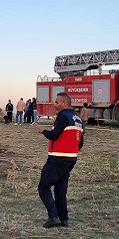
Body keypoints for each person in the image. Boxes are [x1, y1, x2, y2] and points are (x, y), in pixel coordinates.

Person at [36, 92, 84, 228]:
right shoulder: (77, 119)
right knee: (60, 189)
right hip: (71, 159)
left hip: (58, 157)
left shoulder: (63, 117)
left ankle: (53, 216)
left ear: (64, 103)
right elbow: (81, 142)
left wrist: (43, 131)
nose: (54, 104)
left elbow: (55, 135)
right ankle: (64, 219)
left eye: (56, 102)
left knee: (43, 187)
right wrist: (72, 152)